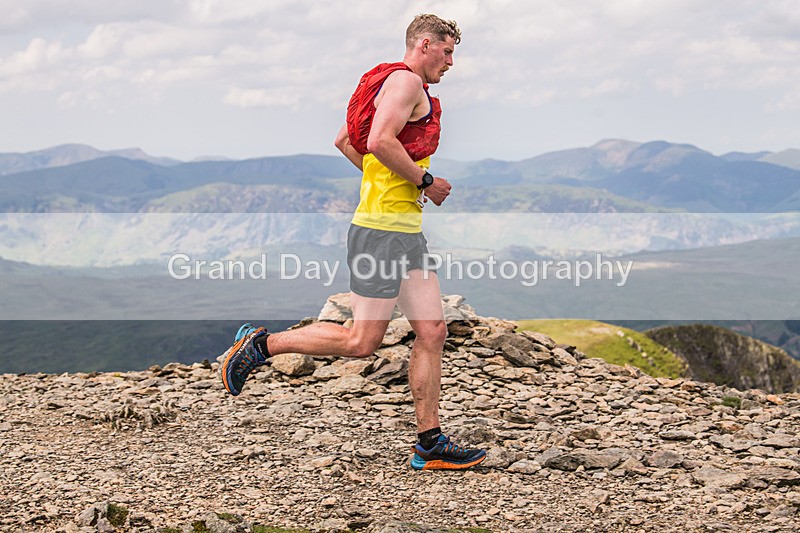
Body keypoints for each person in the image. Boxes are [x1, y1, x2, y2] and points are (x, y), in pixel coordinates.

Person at [220, 14, 486, 471]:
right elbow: (380, 140)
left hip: (402, 231)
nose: (451, 62)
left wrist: (388, 184)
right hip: (381, 232)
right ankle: (261, 346)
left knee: (432, 330)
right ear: (424, 45)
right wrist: (425, 181)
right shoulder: (405, 85)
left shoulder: (386, 82)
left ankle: (430, 442)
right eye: (446, 52)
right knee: (362, 341)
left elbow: (347, 139)